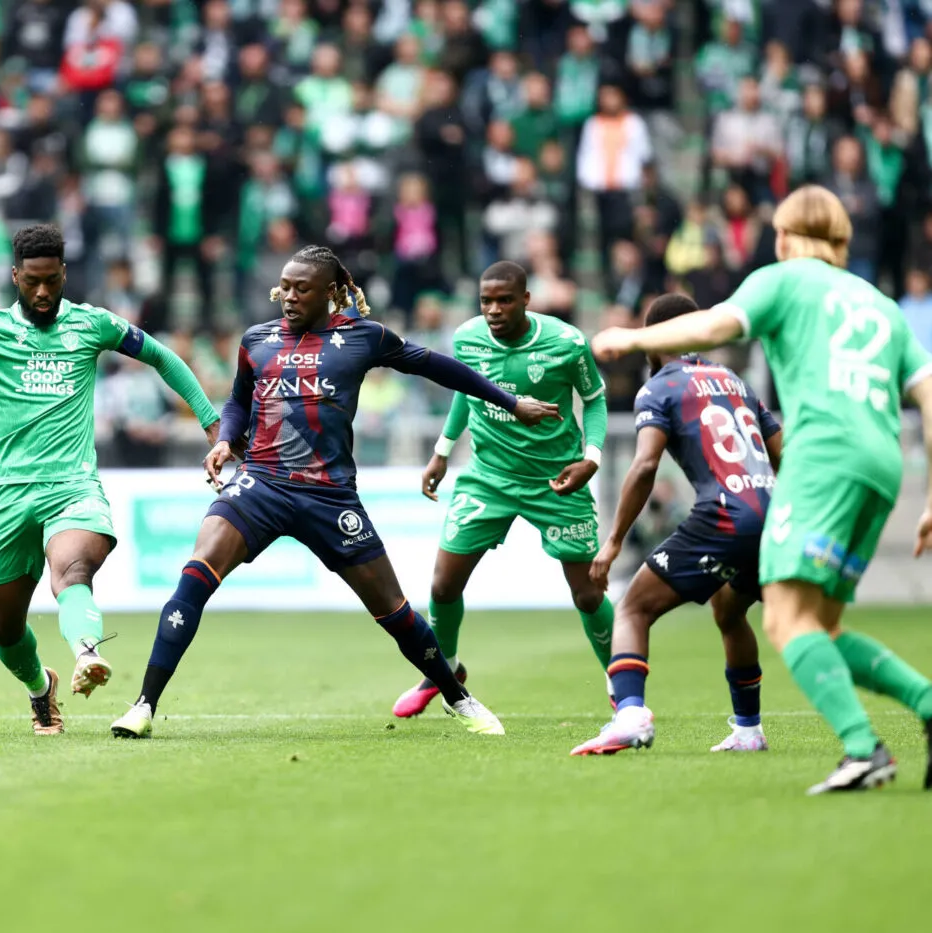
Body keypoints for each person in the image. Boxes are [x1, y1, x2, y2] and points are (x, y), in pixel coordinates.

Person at [109, 245, 561, 739]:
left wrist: (510, 402)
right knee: (195, 575)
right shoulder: (256, 339)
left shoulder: (363, 337)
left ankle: (458, 697)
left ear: (331, 293)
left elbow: (437, 367)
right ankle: (143, 705)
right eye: (285, 286)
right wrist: (222, 441)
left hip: (329, 496)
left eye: (303, 288)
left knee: (394, 611)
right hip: (261, 482)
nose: (289, 296)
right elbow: (239, 402)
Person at [592, 186, 932, 794]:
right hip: (881, 466)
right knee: (813, 625)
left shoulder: (782, 279)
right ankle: (921, 708)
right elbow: (928, 391)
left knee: (783, 621)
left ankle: (862, 748)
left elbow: (720, 322)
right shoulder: (881, 304)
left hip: (821, 458)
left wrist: (629, 339)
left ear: (781, 235)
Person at [0, 224, 222, 736]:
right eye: (32, 281)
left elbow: (162, 357)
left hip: (72, 487)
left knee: (72, 570)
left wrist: (212, 423)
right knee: (5, 630)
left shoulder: (92, 325)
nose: (42, 292)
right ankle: (41, 689)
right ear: (15, 276)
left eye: (52, 281)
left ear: (64, 275)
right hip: (7, 496)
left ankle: (86, 652)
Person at [392, 261, 614, 723]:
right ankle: (445, 670)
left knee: (588, 593)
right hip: (488, 475)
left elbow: (593, 399)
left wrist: (591, 457)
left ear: (526, 300)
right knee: (442, 584)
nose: (493, 309)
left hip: (556, 477)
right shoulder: (468, 338)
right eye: (486, 300)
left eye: (504, 300)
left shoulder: (566, 342)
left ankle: (621, 683)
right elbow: (464, 389)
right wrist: (442, 451)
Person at [572, 293, 783, 756]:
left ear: (653, 340)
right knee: (730, 611)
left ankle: (629, 716)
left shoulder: (661, 387)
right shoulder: (735, 381)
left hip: (723, 516)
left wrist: (613, 541)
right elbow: (781, 455)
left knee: (632, 609)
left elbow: (645, 465)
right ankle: (748, 730)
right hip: (768, 512)